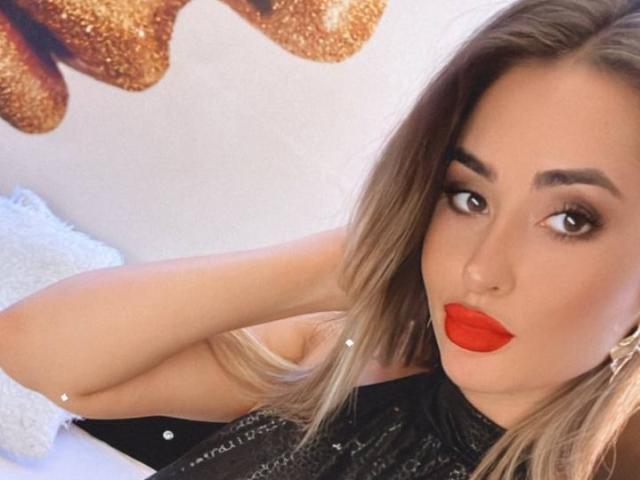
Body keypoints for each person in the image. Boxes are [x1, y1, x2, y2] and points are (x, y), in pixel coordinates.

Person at [1, 0, 639, 479]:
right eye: (468, 196)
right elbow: (39, 357)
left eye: (571, 219)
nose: (480, 269)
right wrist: (365, 255)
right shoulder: (357, 356)